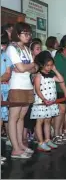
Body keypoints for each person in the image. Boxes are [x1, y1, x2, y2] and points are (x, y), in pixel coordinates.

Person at [6, 22, 37, 158]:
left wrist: (28, 66)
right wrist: (29, 66)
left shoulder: (26, 49)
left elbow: (35, 68)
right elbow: (23, 68)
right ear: (17, 34)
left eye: (29, 34)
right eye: (25, 33)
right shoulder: (12, 48)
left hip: (27, 86)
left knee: (21, 117)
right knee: (14, 117)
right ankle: (15, 149)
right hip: (16, 86)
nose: (28, 36)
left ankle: (20, 144)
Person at [30, 51, 63, 151]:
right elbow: (37, 90)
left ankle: (48, 139)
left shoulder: (51, 75)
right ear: (41, 65)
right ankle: (40, 142)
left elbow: (61, 79)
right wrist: (44, 99)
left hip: (50, 103)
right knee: (40, 122)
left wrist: (55, 70)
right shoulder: (38, 76)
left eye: (51, 65)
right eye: (47, 65)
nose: (49, 67)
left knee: (48, 121)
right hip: (41, 103)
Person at [23, 40, 42, 145]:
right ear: (31, 51)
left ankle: (34, 133)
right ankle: (25, 135)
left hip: (36, 91)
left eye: (40, 48)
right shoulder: (29, 63)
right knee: (26, 114)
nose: (40, 51)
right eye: (37, 49)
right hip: (28, 89)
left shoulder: (39, 63)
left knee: (35, 113)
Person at [1, 30, 12, 164]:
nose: (2, 47)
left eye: (4, 44)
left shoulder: (5, 56)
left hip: (4, 90)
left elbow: (7, 74)